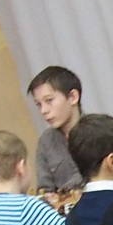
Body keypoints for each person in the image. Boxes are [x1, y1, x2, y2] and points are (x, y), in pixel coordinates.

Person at [28, 64, 87, 196]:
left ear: (73, 97)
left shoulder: (101, 130)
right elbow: (45, 189)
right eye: (38, 104)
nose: (43, 110)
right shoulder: (46, 141)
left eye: (49, 100)